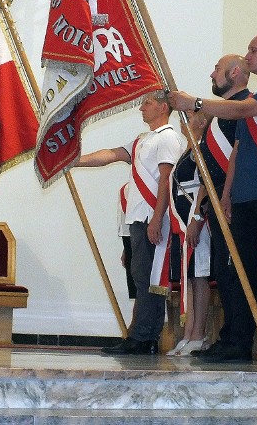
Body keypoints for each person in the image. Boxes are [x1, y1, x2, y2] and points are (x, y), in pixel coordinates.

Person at [168, 33, 257, 365]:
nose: (248, 55)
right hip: (242, 198)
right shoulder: (255, 98)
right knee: (237, 270)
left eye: (254, 50)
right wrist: (227, 194)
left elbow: (243, 109)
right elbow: (238, 152)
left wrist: (195, 103)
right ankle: (238, 341)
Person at [76, 91, 183, 355]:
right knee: (141, 276)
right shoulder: (143, 140)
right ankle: (140, 335)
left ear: (162, 107)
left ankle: (144, 337)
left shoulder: (168, 137)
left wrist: (157, 218)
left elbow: (165, 180)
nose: (141, 108)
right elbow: (111, 155)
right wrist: (75, 161)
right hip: (138, 218)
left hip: (152, 216)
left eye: (146, 103)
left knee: (149, 279)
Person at [176, 55, 251, 360]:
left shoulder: (244, 107)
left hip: (233, 199)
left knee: (233, 269)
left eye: (217, 69)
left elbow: (234, 158)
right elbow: (208, 172)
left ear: (235, 72)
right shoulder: (219, 119)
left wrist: (225, 196)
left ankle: (239, 341)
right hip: (217, 199)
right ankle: (228, 338)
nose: (212, 73)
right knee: (222, 270)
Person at [166, 110, 212, 356]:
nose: (184, 118)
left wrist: (196, 217)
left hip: (197, 220)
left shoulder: (202, 148)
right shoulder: (188, 150)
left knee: (200, 274)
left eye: (191, 115)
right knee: (190, 276)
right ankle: (189, 332)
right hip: (183, 221)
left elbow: (205, 185)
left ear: (202, 122)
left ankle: (199, 333)